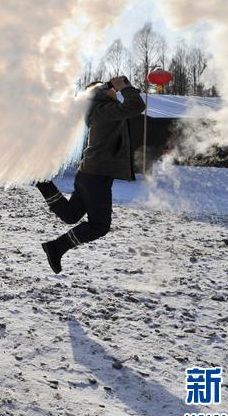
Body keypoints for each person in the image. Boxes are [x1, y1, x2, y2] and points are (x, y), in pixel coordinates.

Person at [35, 75, 146, 274]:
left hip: (90, 174)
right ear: (99, 94)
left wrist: (124, 88)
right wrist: (124, 87)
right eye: (110, 88)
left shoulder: (103, 110)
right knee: (99, 226)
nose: (114, 90)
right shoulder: (102, 110)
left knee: (71, 215)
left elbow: (132, 105)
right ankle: (56, 247)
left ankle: (43, 184)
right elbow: (136, 106)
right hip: (96, 176)